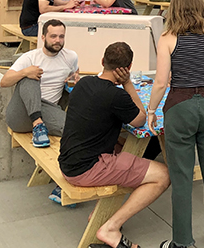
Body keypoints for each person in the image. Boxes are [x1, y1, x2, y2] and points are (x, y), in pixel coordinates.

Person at [59, 42, 170, 248]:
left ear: (102, 61)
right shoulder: (116, 96)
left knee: (137, 148)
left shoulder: (83, 84)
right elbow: (140, 120)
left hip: (68, 159)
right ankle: (110, 227)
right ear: (128, 68)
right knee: (163, 175)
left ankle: (107, 212)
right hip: (86, 168)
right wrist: (128, 84)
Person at [149, 0, 204, 248]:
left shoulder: (168, 37)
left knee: (182, 176)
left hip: (180, 106)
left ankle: (183, 241)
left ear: (174, 7)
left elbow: (162, 82)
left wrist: (152, 111)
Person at [2, 19, 80, 204]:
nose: (57, 40)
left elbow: (74, 78)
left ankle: (65, 185)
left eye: (61, 36)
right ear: (43, 37)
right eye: (53, 36)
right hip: (22, 115)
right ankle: (37, 125)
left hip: (50, 111)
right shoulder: (30, 57)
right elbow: (4, 82)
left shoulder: (71, 57)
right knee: (30, 78)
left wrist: (74, 81)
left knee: (75, 132)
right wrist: (24, 72)